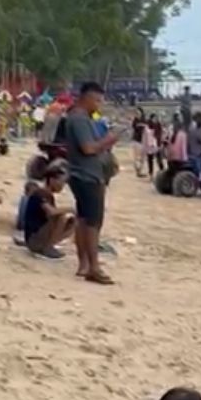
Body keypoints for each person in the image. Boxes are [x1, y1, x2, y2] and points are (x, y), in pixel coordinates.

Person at [64, 82, 120, 285]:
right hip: (88, 175)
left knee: (83, 219)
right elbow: (88, 148)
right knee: (93, 223)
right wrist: (109, 140)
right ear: (86, 98)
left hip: (81, 174)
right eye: (97, 100)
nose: (99, 105)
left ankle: (84, 264)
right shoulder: (79, 119)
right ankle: (94, 267)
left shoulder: (78, 118)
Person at [23, 160, 76, 259]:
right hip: (33, 239)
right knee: (61, 217)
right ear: (51, 180)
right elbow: (51, 211)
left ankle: (49, 245)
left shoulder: (47, 195)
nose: (62, 186)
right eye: (61, 182)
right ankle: (48, 248)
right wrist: (71, 209)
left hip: (39, 236)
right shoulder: (40, 193)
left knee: (73, 222)